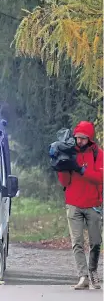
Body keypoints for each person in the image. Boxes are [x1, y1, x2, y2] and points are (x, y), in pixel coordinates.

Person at [57, 121, 103, 290]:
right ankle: (83, 276)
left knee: (96, 242)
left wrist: (81, 170)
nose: (79, 142)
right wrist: (62, 167)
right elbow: (65, 182)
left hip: (93, 204)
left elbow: (100, 178)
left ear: (90, 139)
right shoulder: (69, 153)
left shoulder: (99, 154)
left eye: (83, 138)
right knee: (77, 242)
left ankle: (93, 271)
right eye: (77, 138)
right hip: (73, 203)